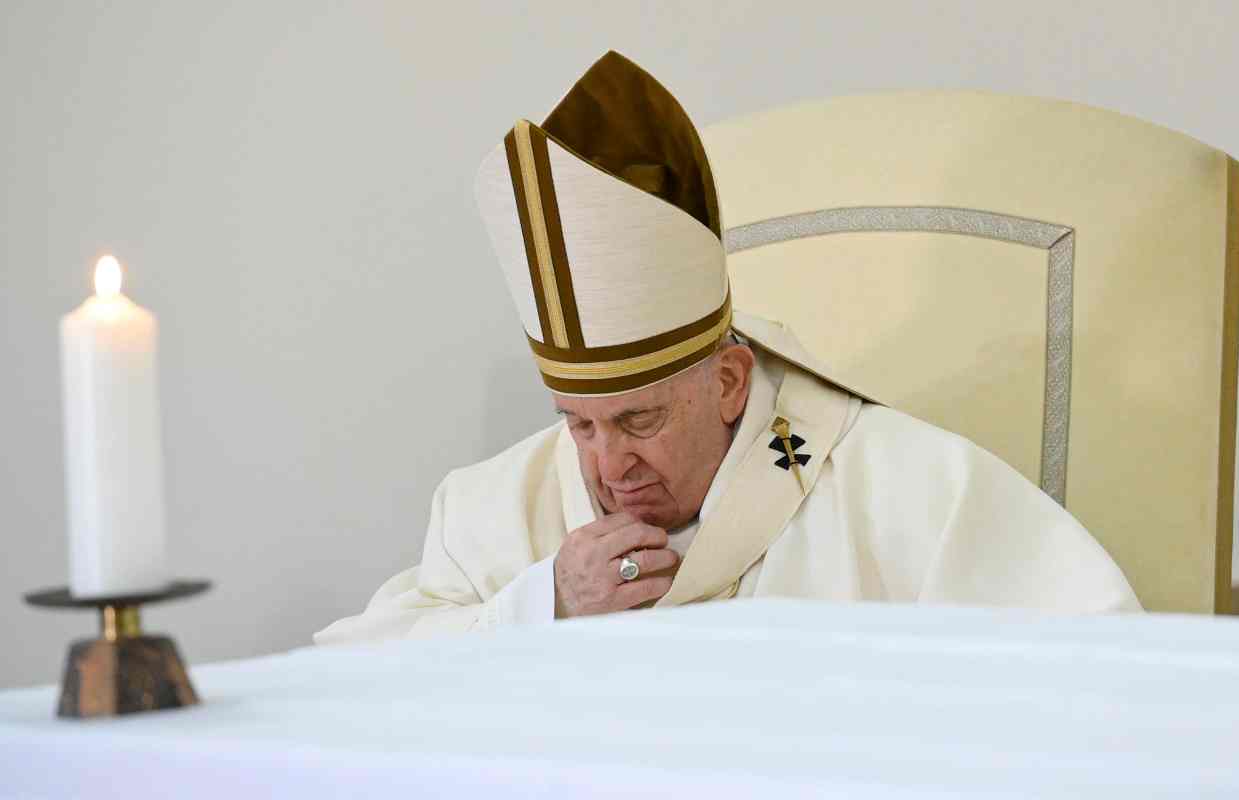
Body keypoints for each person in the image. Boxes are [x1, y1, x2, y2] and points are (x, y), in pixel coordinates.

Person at [314, 51, 1139, 645]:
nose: (609, 468)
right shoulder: (489, 508)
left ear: (731, 382)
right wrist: (540, 608)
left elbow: (1100, 651)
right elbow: (352, 681)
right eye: (579, 423)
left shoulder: (902, 484)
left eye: (638, 420)